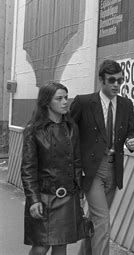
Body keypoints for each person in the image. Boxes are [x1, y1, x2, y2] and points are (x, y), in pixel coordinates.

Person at [71, 59, 134, 255]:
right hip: (92, 170)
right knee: (103, 221)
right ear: (101, 80)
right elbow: (70, 134)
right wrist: (75, 167)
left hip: (114, 168)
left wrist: (131, 141)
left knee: (95, 219)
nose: (117, 84)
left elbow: (130, 132)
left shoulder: (126, 104)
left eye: (120, 80)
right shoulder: (84, 102)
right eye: (112, 80)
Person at [21, 82, 84, 255]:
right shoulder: (33, 130)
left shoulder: (72, 128)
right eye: (59, 98)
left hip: (68, 196)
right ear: (47, 102)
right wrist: (33, 200)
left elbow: (77, 162)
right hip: (44, 197)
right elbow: (28, 169)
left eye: (66, 97)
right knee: (41, 247)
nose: (65, 102)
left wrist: (79, 191)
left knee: (61, 245)